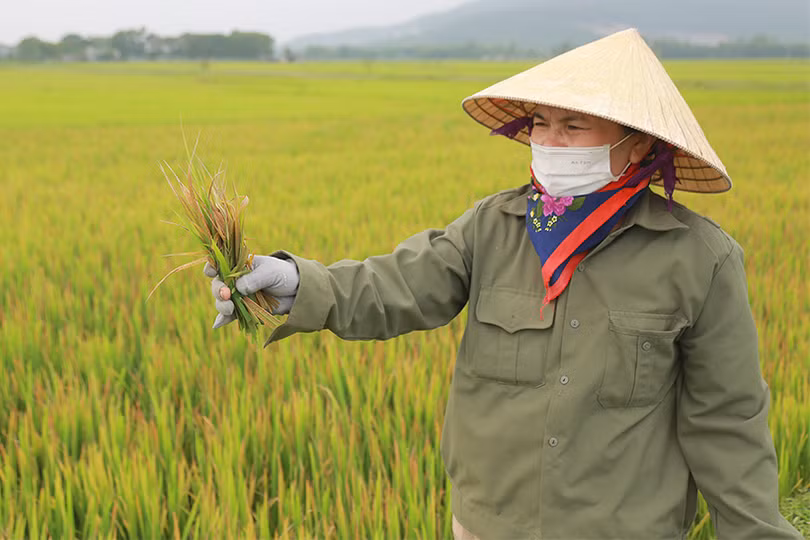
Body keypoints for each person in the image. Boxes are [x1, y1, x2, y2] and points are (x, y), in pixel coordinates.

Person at [204, 29, 802, 540]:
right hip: (491, 524)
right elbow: (394, 286)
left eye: (574, 126)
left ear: (637, 143)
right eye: (541, 123)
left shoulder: (700, 259)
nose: (550, 143)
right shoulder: (493, 228)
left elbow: (727, 420)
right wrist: (293, 281)